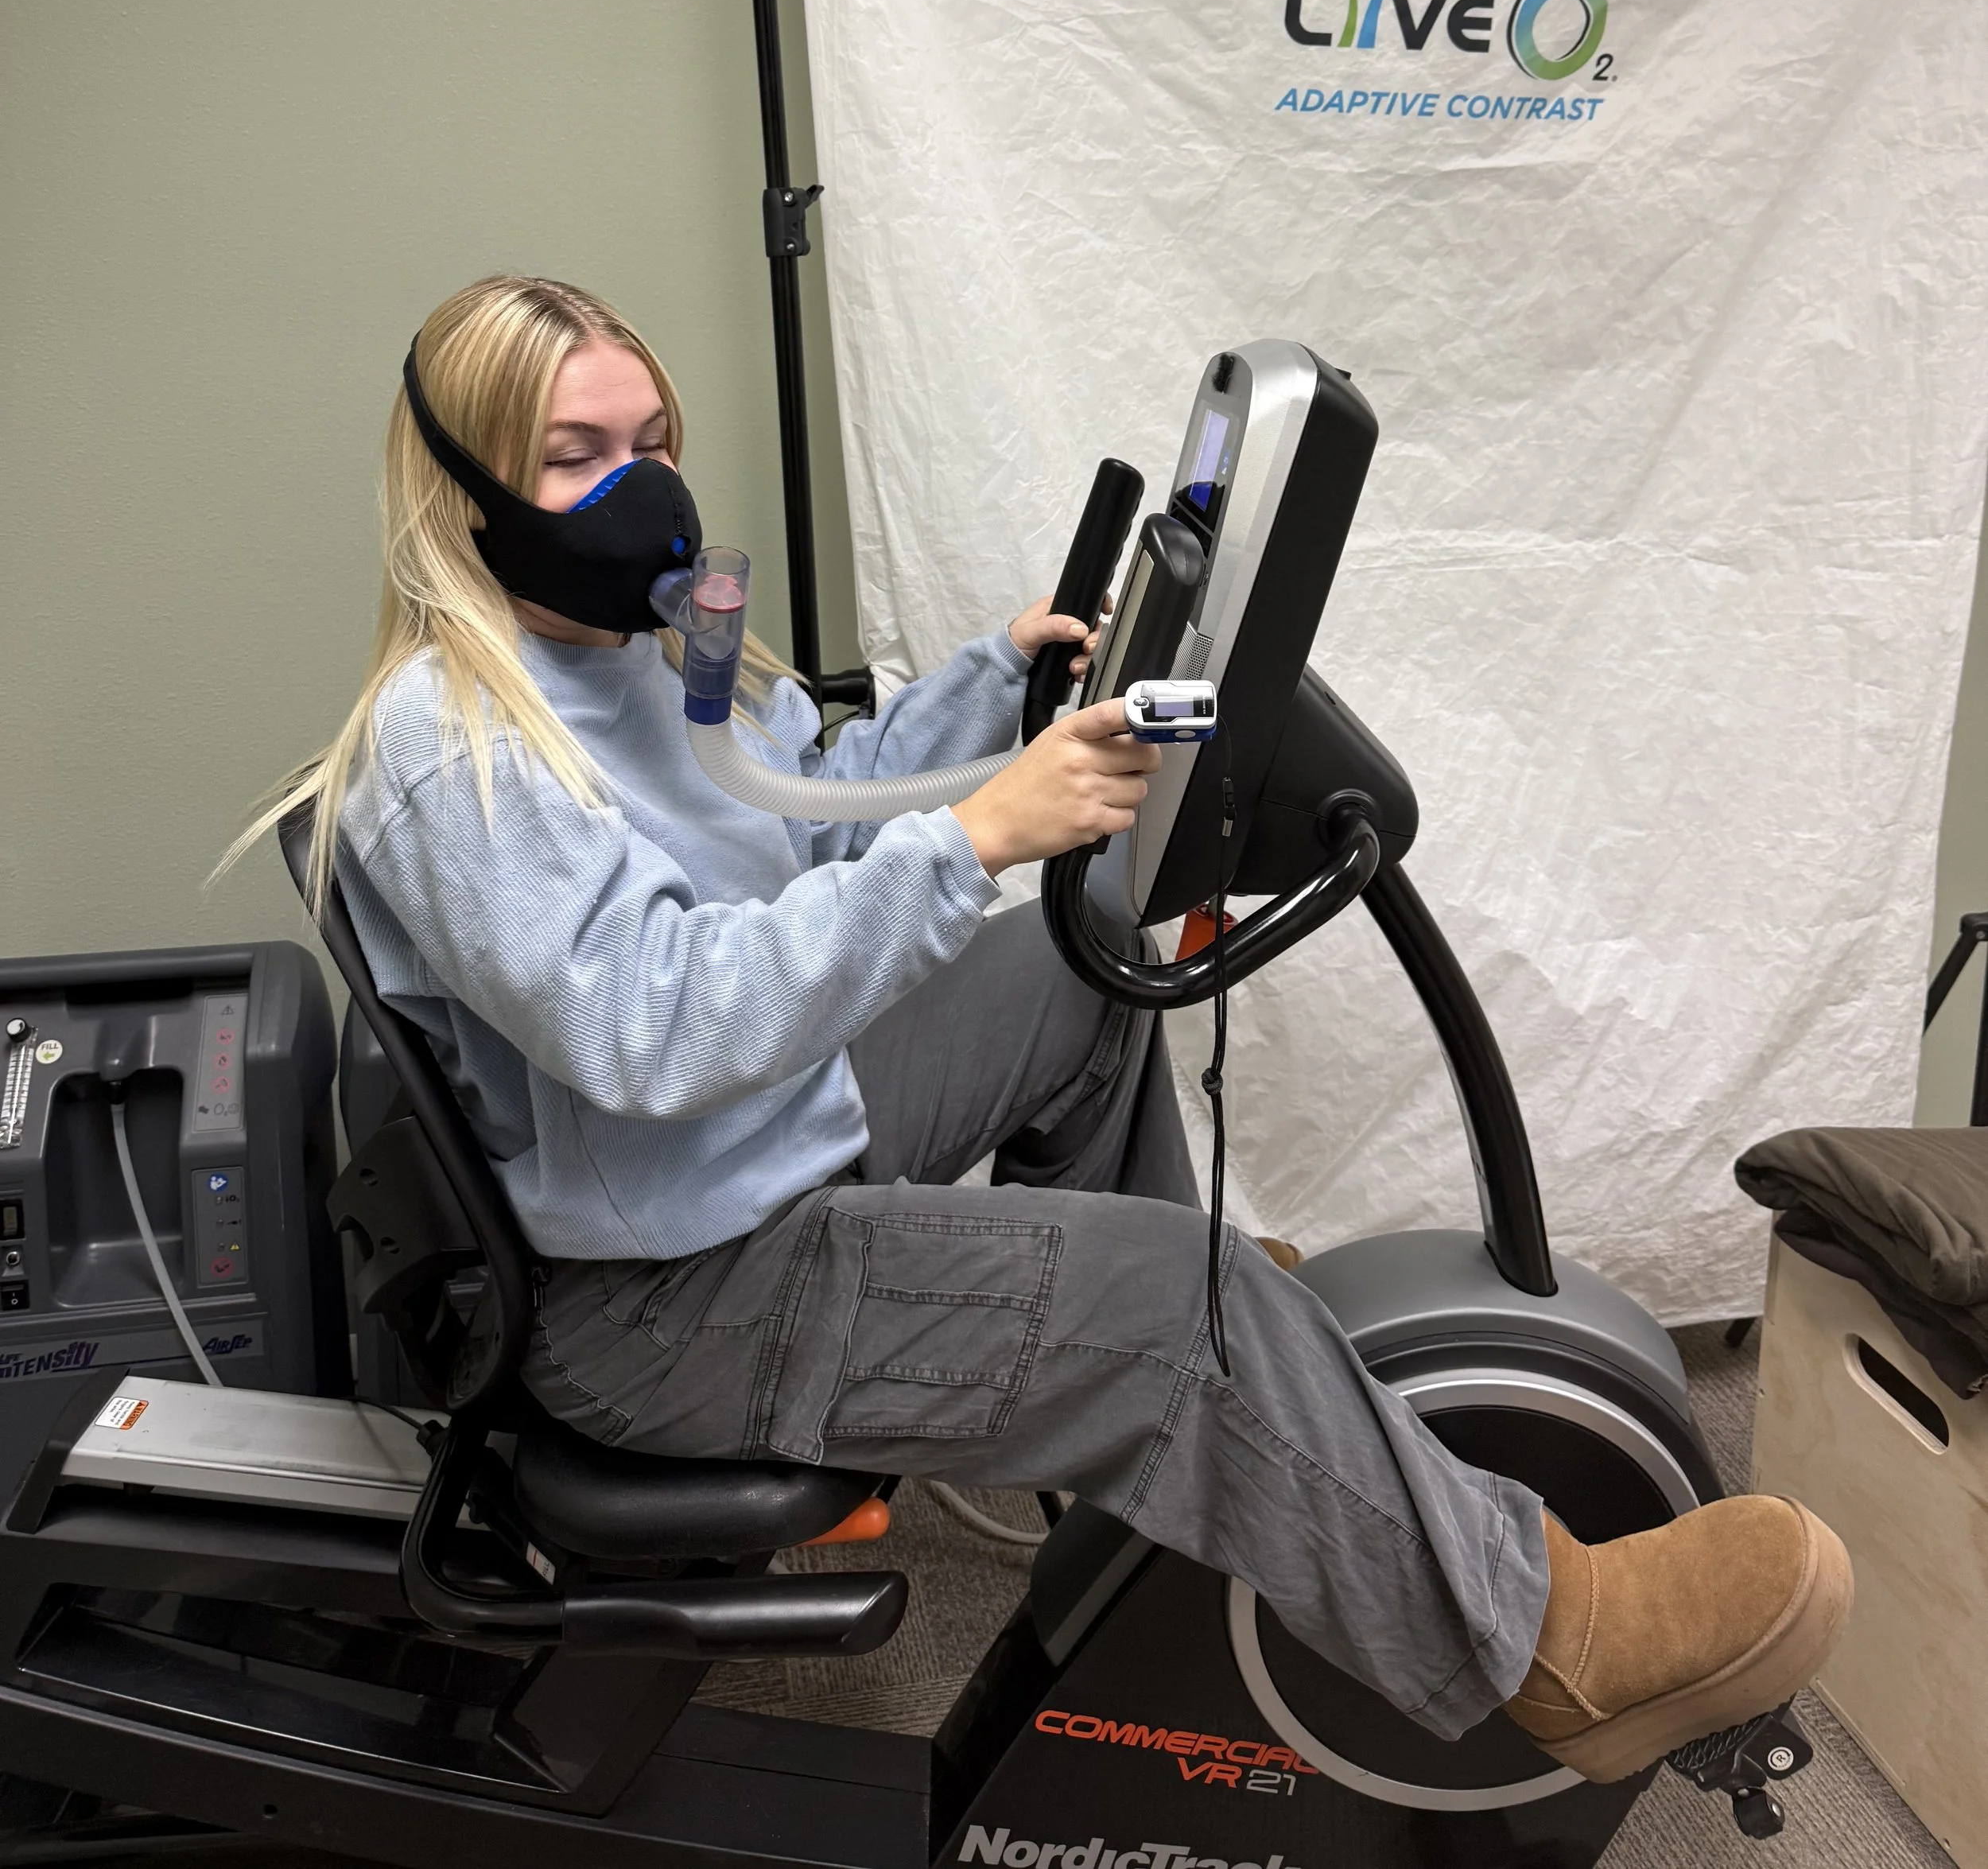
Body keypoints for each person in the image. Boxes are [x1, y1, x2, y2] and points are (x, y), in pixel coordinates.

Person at [239, 272, 1850, 1783]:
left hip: (739, 1155)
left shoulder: (656, 651)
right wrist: (978, 835)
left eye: (650, 440)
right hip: (655, 1292)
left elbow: (808, 804)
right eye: (573, 454)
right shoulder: (454, 748)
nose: (638, 485)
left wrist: (985, 692)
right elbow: (657, 1029)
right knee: (1190, 1299)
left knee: (1080, 965)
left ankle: (1182, 1405)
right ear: (459, 487)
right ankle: (1544, 1641)